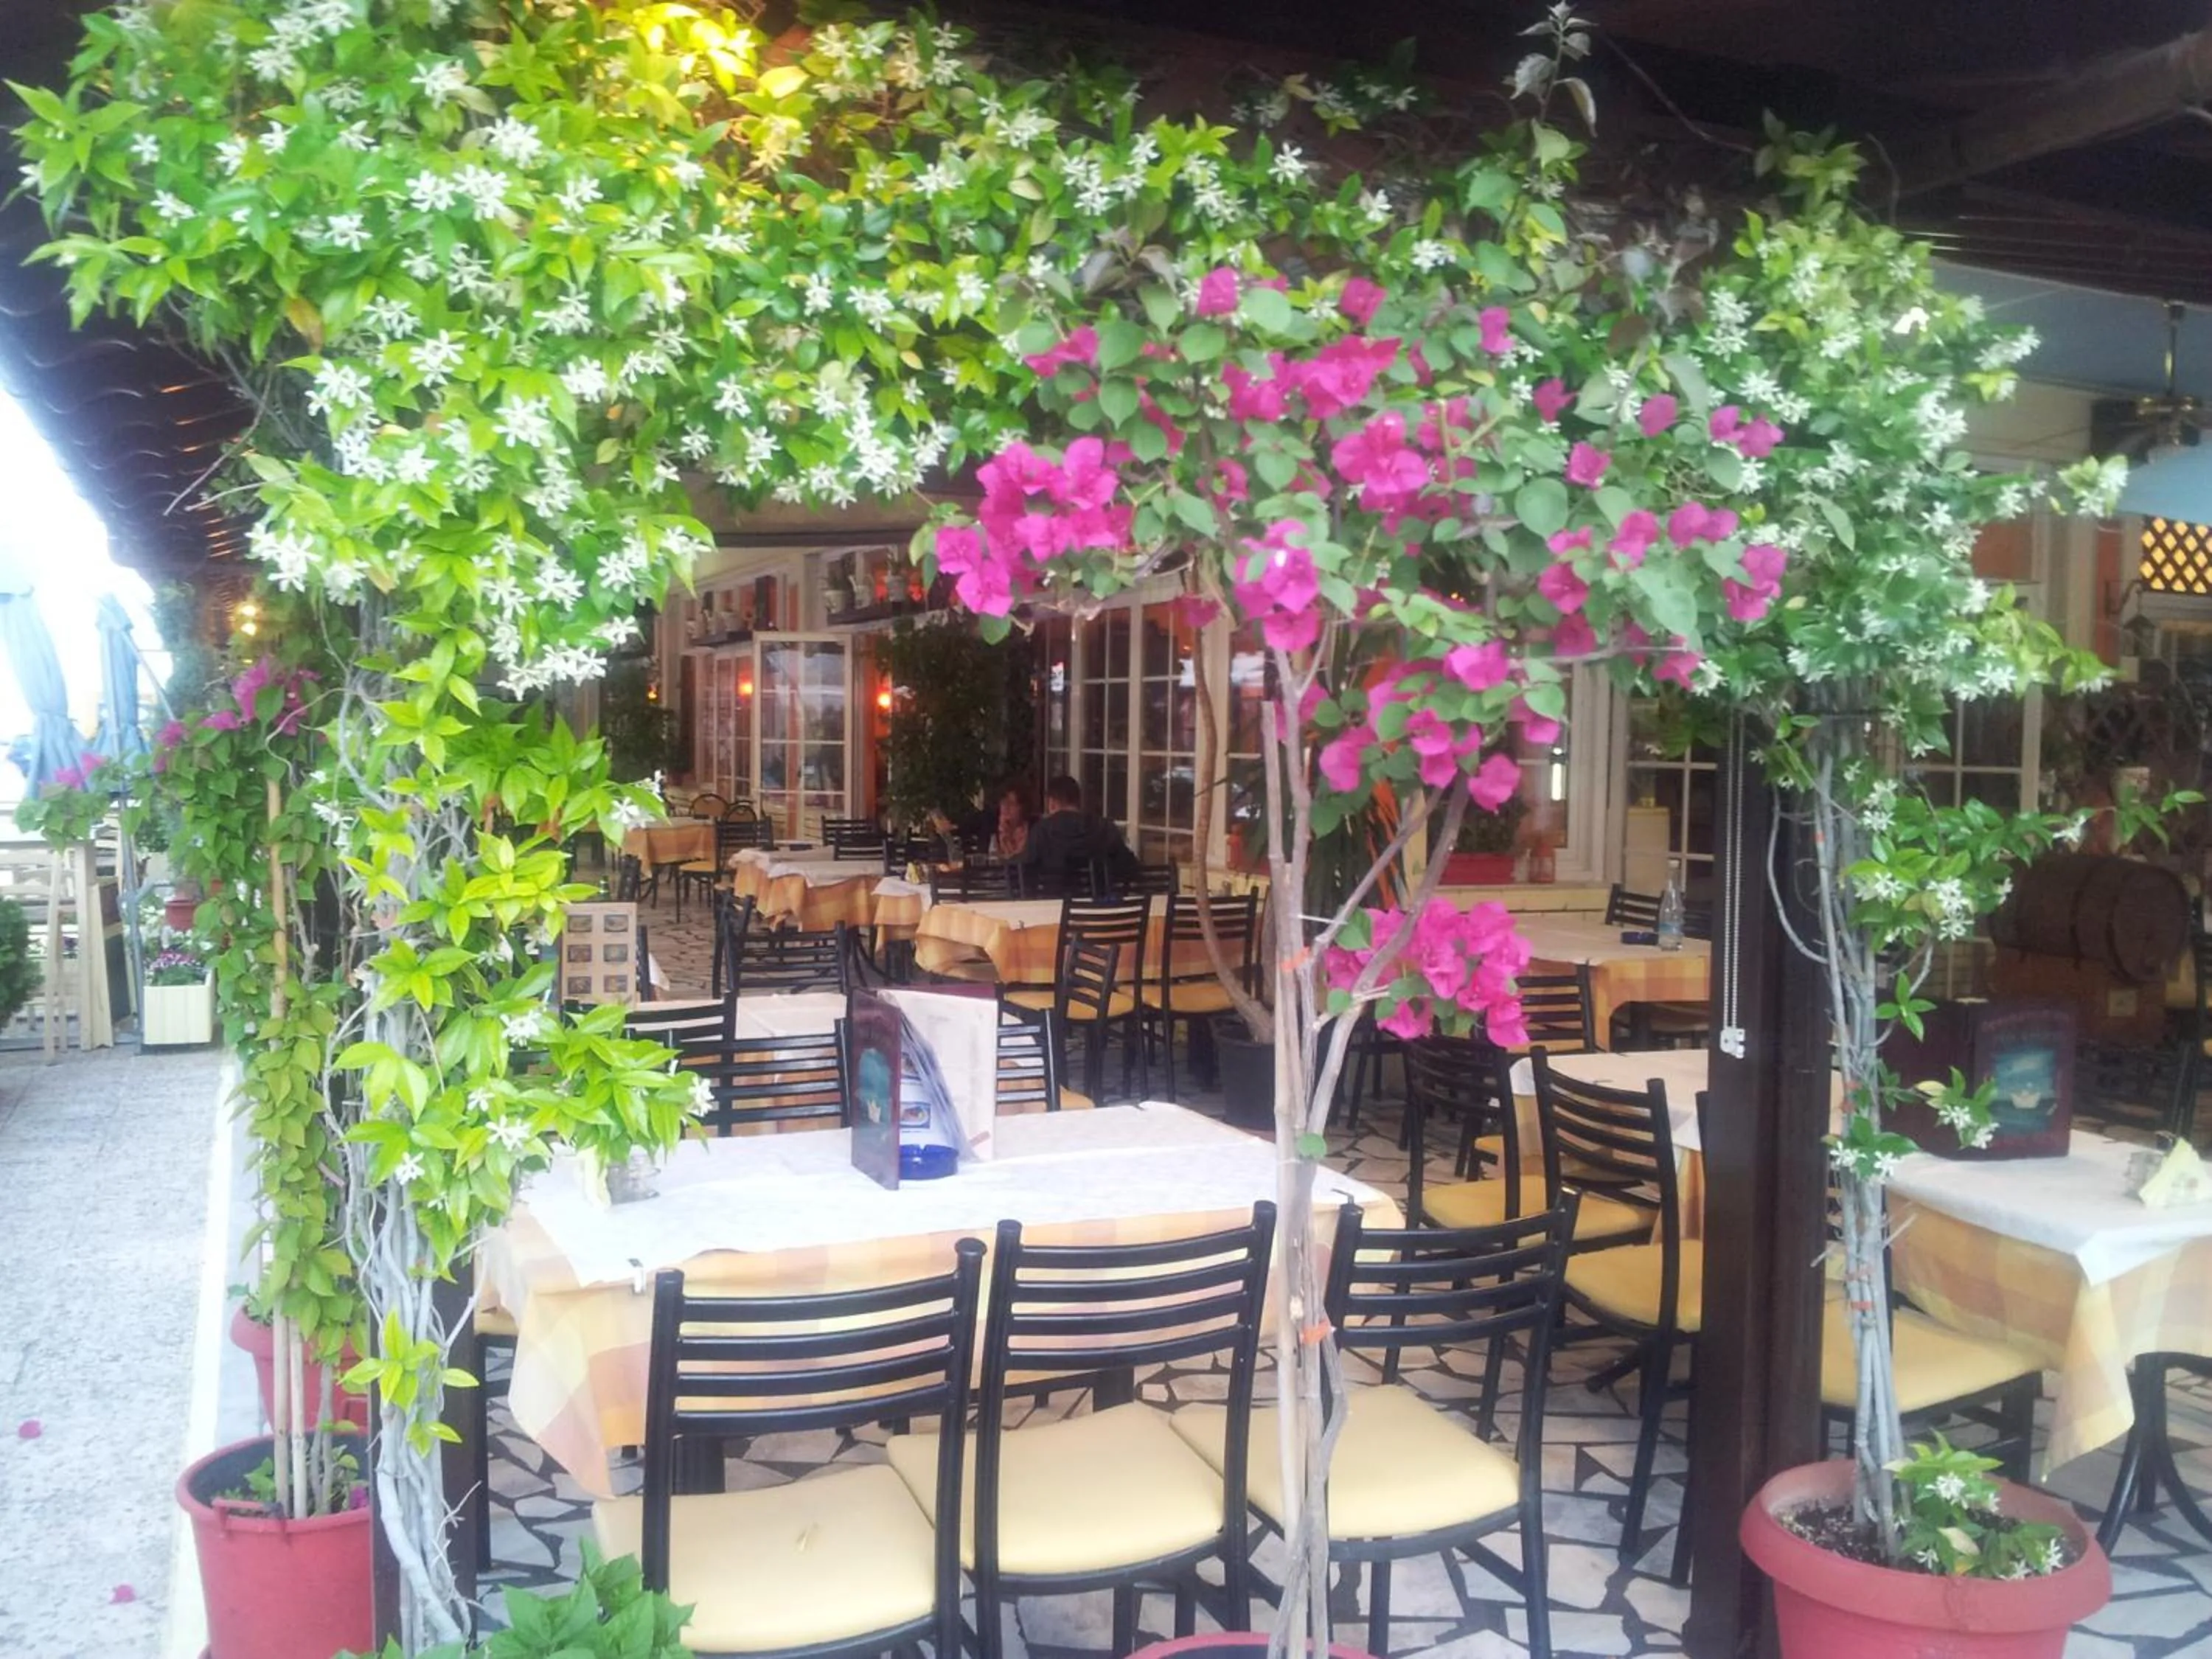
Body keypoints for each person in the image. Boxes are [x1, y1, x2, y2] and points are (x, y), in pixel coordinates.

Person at [1012, 775, 1135, 890]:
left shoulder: (1042, 830)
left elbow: (1024, 873)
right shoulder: (1104, 827)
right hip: (1098, 906)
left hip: (1054, 905)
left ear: (1052, 802)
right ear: (1078, 801)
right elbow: (1129, 866)